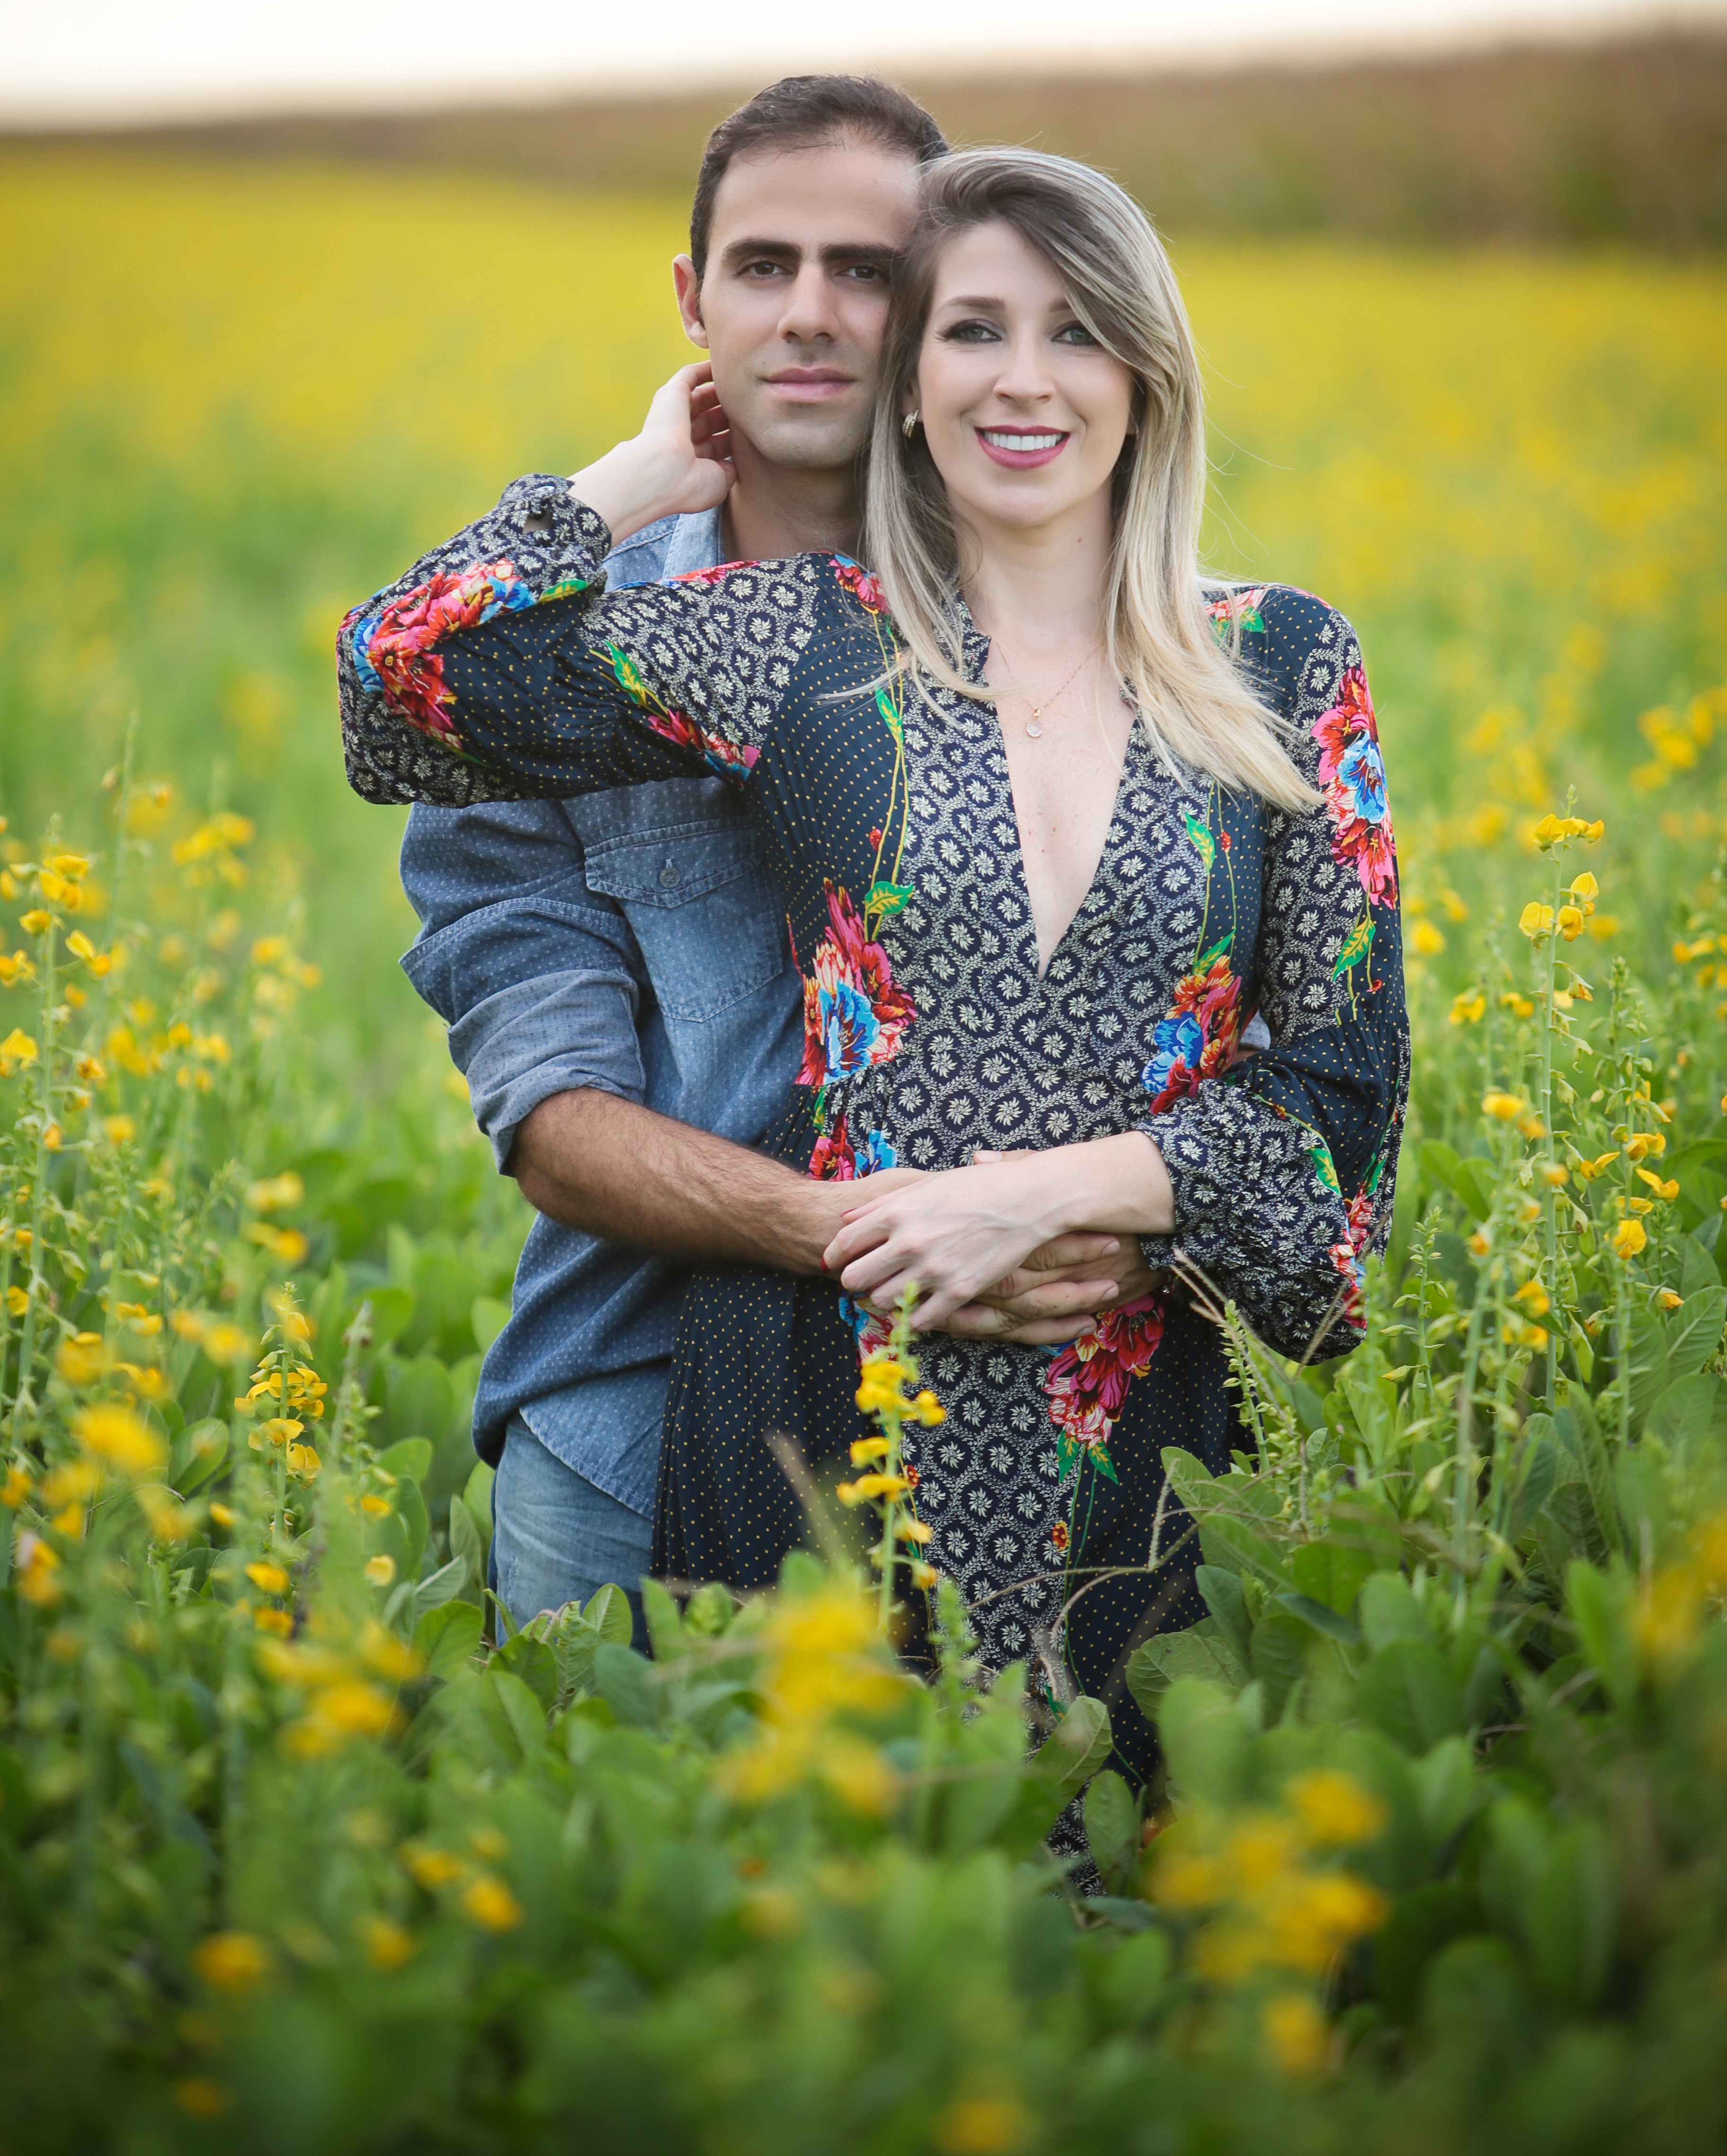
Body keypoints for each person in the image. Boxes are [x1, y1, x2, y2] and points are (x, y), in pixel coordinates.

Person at [339, 145, 1408, 1784]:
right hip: (808, 1399)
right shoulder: (804, 640)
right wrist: (632, 476)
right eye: (973, 331)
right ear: (910, 386)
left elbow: (1345, 1111)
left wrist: (1051, 1197)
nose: (1026, 381)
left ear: (1149, 372)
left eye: (1077, 331)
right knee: (799, 1916)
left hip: (1134, 1421)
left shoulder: (1282, 662)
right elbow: (397, 688)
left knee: (1139, 1916)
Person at [396, 80, 1158, 1643]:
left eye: (867, 271)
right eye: (761, 266)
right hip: (632, 1410)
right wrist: (618, 490)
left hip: (1012, 1421)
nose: (810, 314)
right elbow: (553, 1120)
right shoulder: (546, 672)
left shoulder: (1072, 627)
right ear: (693, 298)